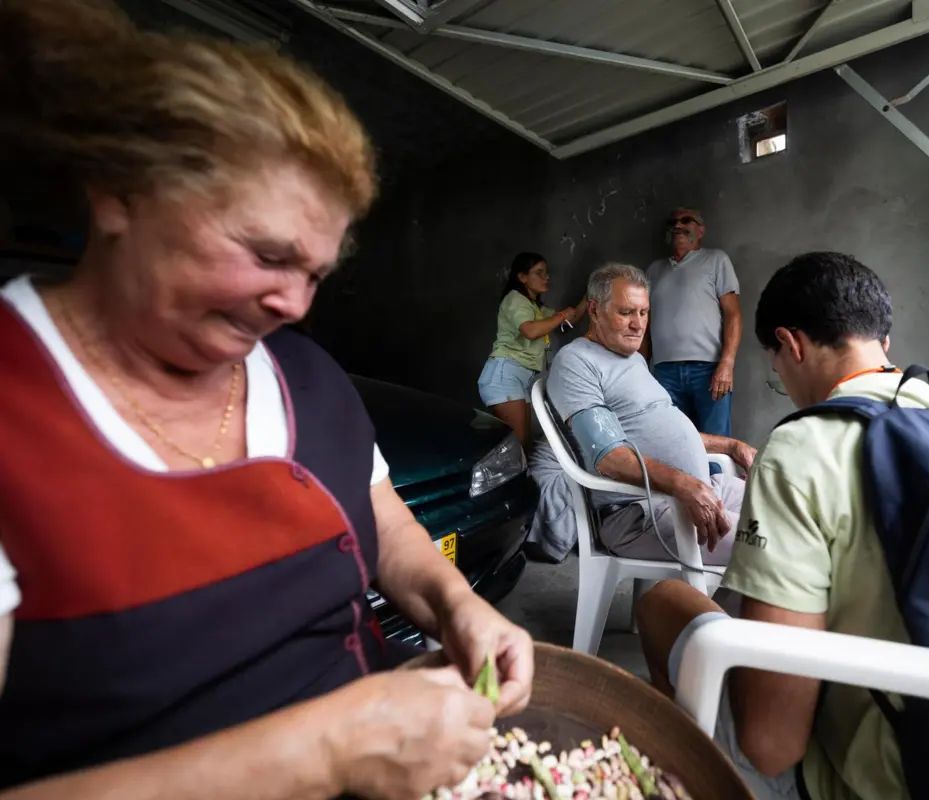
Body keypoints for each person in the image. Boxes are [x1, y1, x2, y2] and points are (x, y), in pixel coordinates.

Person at [0, 3, 533, 799]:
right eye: (266, 255)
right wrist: (326, 752)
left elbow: (382, 519)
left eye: (313, 274)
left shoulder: (306, 377)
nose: (293, 304)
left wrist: (458, 607)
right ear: (120, 194)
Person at [638, 253, 922, 800]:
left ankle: (687, 775)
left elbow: (772, 742)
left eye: (776, 371)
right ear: (882, 341)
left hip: (872, 776)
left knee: (663, 602)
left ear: (791, 346)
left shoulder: (803, 446)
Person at [546, 263, 756, 565]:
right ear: (593, 311)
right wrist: (683, 484)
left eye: (643, 313)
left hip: (697, 489)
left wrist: (731, 446)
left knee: (787, 510)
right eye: (626, 313)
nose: (638, 324)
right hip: (641, 511)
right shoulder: (577, 362)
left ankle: (721, 609)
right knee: (773, 545)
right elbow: (608, 455)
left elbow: (655, 429)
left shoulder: (632, 359)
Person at [643, 208, 743, 437]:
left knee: (716, 444)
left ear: (701, 230)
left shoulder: (716, 259)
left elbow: (733, 314)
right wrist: (640, 369)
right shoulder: (654, 270)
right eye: (674, 222)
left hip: (709, 370)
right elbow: (644, 324)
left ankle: (715, 476)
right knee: (672, 443)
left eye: (687, 221)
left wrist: (726, 364)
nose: (679, 225)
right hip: (664, 372)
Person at [478, 252, 585, 448]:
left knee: (524, 443)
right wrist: (561, 315)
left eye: (546, 272)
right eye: (539, 272)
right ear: (522, 277)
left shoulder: (536, 308)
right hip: (504, 376)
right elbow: (530, 330)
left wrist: (590, 296)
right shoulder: (515, 299)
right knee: (518, 445)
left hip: (517, 377)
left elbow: (570, 319)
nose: (547, 277)